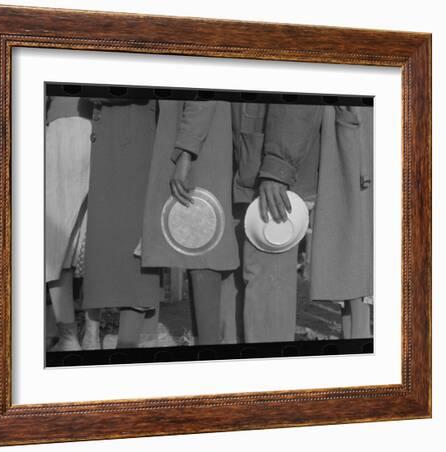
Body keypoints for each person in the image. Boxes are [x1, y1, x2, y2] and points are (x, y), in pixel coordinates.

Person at [256, 104, 373, 339]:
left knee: (358, 247)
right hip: (355, 136)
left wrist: (278, 167)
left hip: (360, 137)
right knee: (355, 252)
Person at [141, 100, 239, 345]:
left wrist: (186, 152)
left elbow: (203, 97)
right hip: (193, 141)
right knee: (197, 246)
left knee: (204, 246)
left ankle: (208, 345)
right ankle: (203, 342)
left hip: (196, 147)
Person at [222, 102, 321, 343]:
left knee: (267, 286)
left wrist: (278, 168)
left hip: (268, 172)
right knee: (239, 280)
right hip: (245, 162)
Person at [81, 98, 163, 349]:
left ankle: (126, 340)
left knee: (137, 243)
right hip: (106, 129)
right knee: (100, 233)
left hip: (140, 132)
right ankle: (92, 332)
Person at [45, 96, 92, 351]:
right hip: (98, 128)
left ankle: (69, 337)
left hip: (63, 128)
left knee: (56, 243)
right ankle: (89, 334)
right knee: (82, 239)